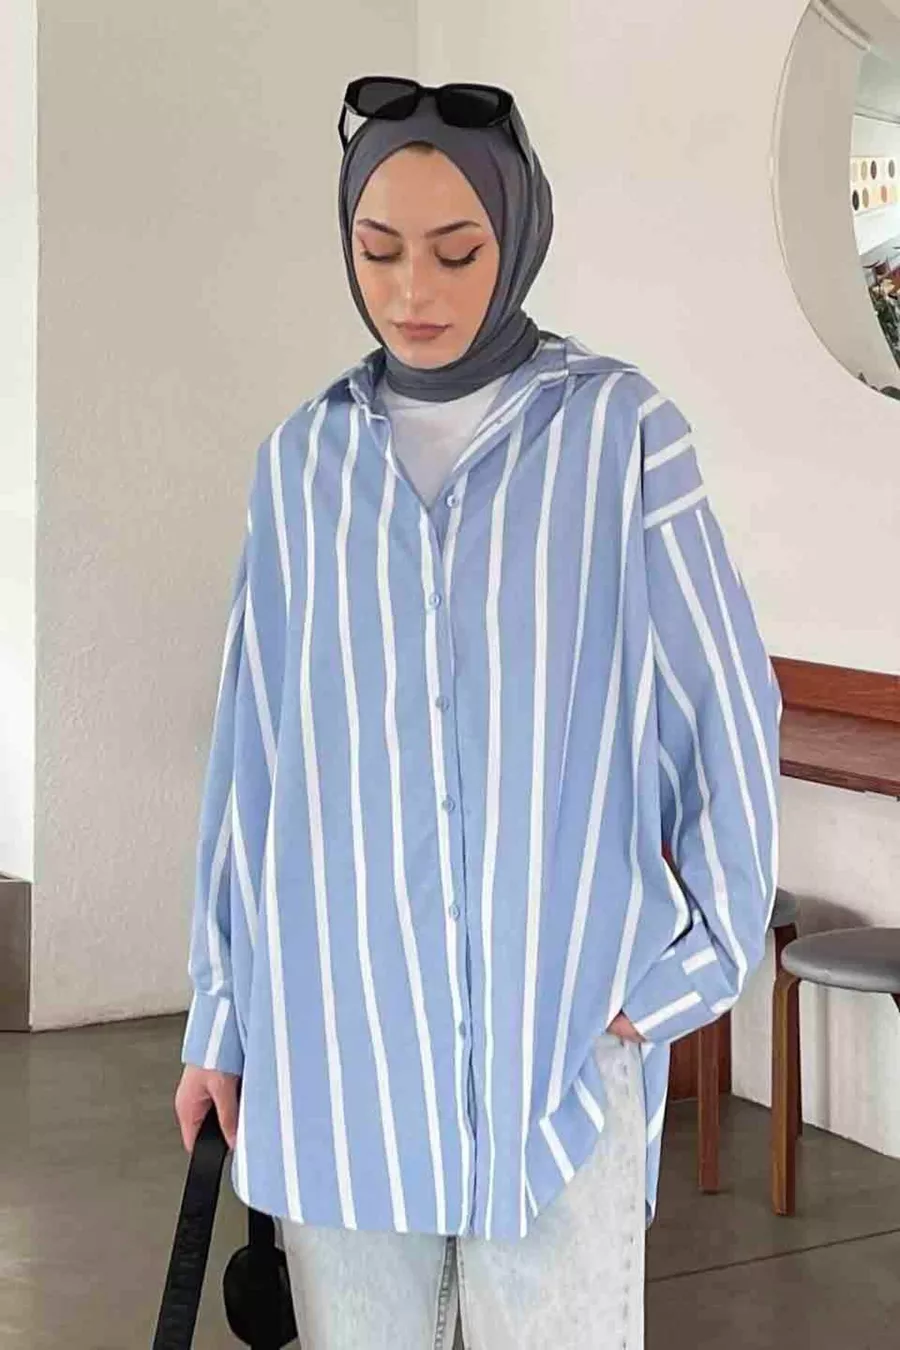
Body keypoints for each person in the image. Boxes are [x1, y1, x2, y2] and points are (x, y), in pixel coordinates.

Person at [174, 77, 781, 1349]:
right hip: (340, 1055)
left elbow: (725, 709)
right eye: (378, 250)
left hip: (558, 1056)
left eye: (457, 252)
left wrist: (688, 969)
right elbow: (254, 763)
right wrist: (221, 1019)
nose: (414, 292)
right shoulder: (300, 463)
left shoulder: (621, 437)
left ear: (519, 236)